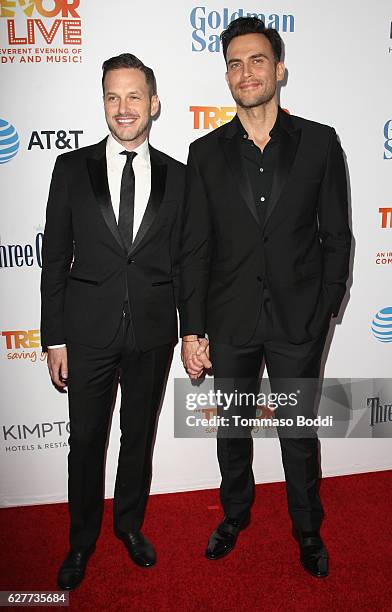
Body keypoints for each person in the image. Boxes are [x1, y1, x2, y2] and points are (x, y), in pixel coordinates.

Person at [180, 17, 351, 578]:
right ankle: (234, 515)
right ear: (226, 75)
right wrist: (193, 326)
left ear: (279, 69)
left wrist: (323, 311)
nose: (245, 71)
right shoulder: (204, 153)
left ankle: (307, 528)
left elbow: (337, 236)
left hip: (297, 322)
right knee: (232, 432)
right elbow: (196, 248)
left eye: (257, 60)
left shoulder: (320, 142)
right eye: (234, 62)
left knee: (298, 436)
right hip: (228, 322)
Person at [41, 53, 184, 590]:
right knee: (85, 441)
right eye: (111, 96)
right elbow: (54, 257)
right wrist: (53, 337)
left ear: (153, 103)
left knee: (137, 438)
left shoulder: (179, 176)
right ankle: (81, 541)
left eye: (132, 96)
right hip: (86, 333)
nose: (122, 108)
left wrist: (192, 329)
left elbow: (187, 262)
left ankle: (128, 526)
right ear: (102, 101)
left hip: (151, 333)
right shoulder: (71, 169)